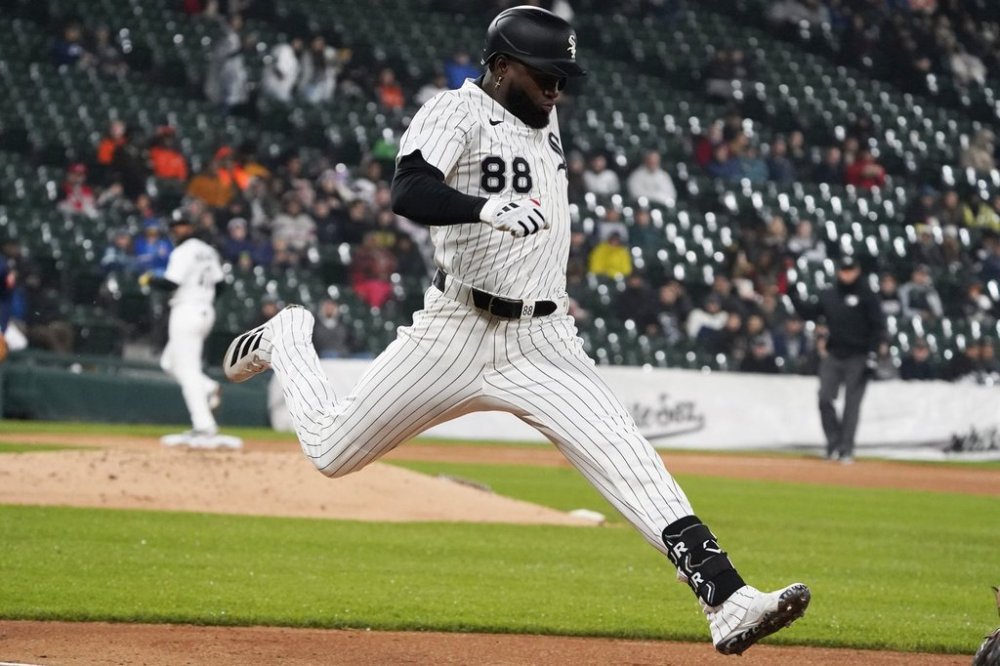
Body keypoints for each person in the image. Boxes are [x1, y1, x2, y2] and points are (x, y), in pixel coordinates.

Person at [223, 6, 808, 656]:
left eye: (562, 76)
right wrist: (482, 208)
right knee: (332, 452)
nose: (555, 88)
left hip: (543, 340)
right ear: (501, 66)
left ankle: (727, 600)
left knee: (627, 457)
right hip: (454, 331)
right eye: (543, 74)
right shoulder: (456, 111)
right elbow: (408, 190)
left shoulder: (542, 113)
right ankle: (288, 339)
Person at [146, 211, 241, 450]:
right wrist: (204, 300)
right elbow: (221, 285)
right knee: (170, 363)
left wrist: (149, 280)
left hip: (187, 311)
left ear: (192, 227)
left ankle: (204, 426)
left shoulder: (182, 251)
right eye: (176, 226)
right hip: (203, 312)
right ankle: (208, 387)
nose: (178, 229)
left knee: (188, 371)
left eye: (182, 225)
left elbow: (171, 282)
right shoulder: (208, 251)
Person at [791, 255, 884, 463]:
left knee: (852, 404)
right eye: (843, 270)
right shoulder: (830, 294)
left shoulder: (867, 295)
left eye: (850, 269)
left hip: (858, 355)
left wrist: (872, 355)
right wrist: (792, 295)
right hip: (834, 354)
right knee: (824, 397)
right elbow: (810, 313)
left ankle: (846, 448)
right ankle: (833, 443)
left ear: (857, 271)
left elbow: (878, 327)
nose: (846, 274)